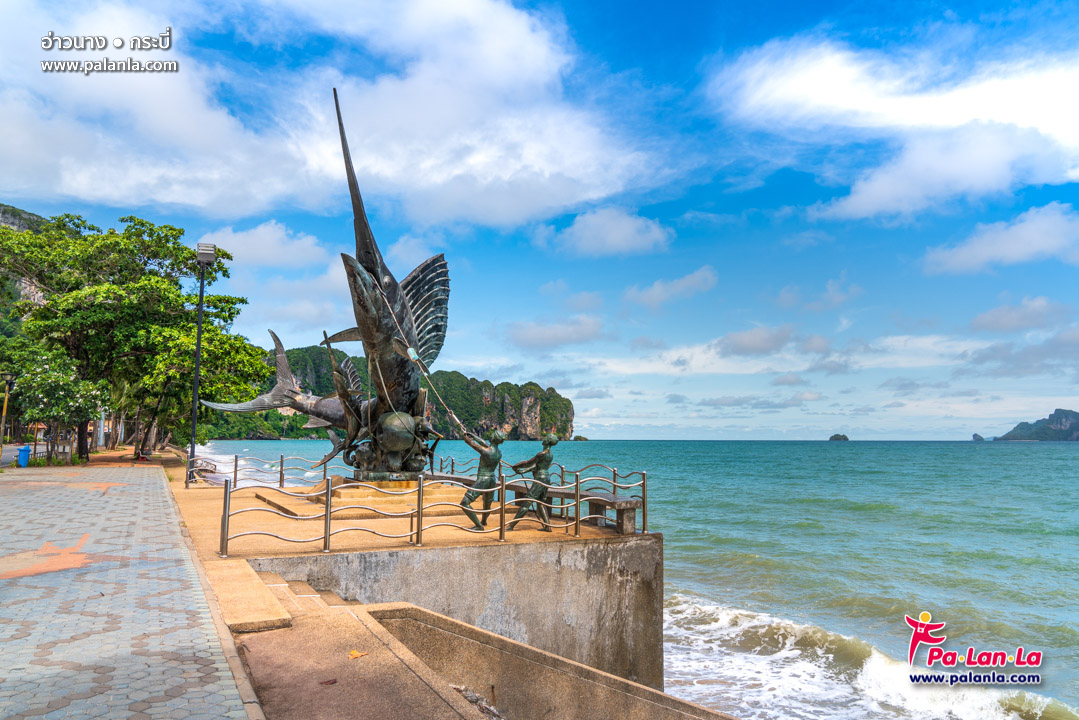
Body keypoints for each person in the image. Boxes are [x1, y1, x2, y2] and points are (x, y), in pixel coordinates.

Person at [507, 433, 559, 532]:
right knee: (541, 503)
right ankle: (547, 526)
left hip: (540, 479)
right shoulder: (550, 454)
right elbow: (536, 466)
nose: (543, 439)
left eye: (545, 438)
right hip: (546, 477)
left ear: (547, 441)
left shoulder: (541, 454)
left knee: (527, 502)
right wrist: (522, 471)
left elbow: (528, 463)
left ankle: (511, 526)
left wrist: (516, 466)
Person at [459, 429, 505, 530]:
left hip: (483, 479)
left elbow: (473, 445)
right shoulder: (499, 452)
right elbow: (484, 444)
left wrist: (467, 439)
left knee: (464, 503)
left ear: (493, 438)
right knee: (487, 503)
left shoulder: (486, 451)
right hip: (492, 479)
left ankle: (479, 526)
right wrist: (474, 436)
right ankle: (484, 521)